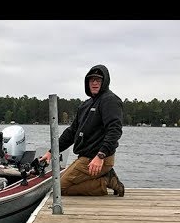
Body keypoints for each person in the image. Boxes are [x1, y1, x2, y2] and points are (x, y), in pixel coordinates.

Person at [39, 64, 125, 197]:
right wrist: (51, 151)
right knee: (59, 186)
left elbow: (114, 130)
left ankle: (105, 181)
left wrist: (100, 156)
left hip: (99, 158)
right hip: (85, 158)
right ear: (87, 82)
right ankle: (105, 175)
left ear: (105, 82)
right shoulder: (85, 105)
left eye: (98, 80)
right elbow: (71, 132)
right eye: (92, 80)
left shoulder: (110, 100)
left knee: (59, 189)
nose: (95, 83)